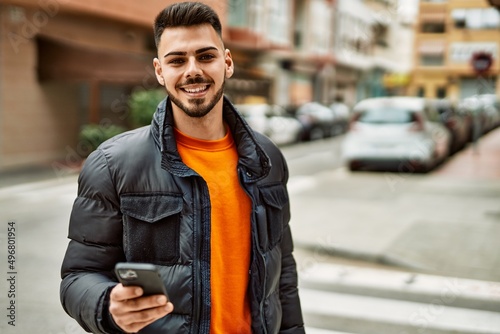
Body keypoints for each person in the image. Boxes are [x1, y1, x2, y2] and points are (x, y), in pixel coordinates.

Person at [60, 2, 305, 333]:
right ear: (160, 71)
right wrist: (107, 305)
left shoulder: (267, 158)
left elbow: (283, 275)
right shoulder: (112, 165)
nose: (193, 70)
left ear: (227, 63)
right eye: (177, 60)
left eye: (206, 56)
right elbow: (78, 276)